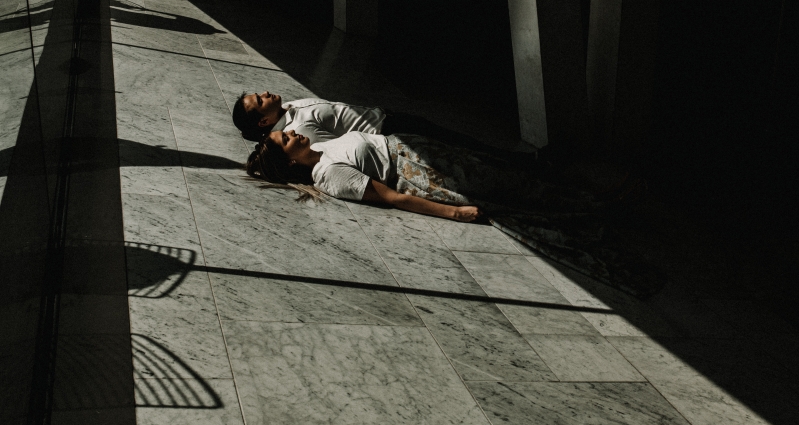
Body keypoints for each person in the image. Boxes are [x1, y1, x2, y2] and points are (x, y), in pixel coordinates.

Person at [245, 129, 654, 297]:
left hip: (425, 151)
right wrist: (451, 214)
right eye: (287, 139)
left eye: (286, 131)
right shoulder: (328, 174)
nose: (293, 132)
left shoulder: (320, 148)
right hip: (427, 174)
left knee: (511, 176)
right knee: (513, 191)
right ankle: (600, 209)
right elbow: (391, 197)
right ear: (291, 162)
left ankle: (598, 204)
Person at [232, 90, 536, 164]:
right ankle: (526, 164)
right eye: (259, 101)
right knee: (461, 150)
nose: (265, 94)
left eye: (258, 93)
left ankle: (518, 161)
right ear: (263, 121)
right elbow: (339, 147)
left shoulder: (294, 106)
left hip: (390, 119)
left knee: (458, 142)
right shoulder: (301, 129)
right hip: (391, 135)